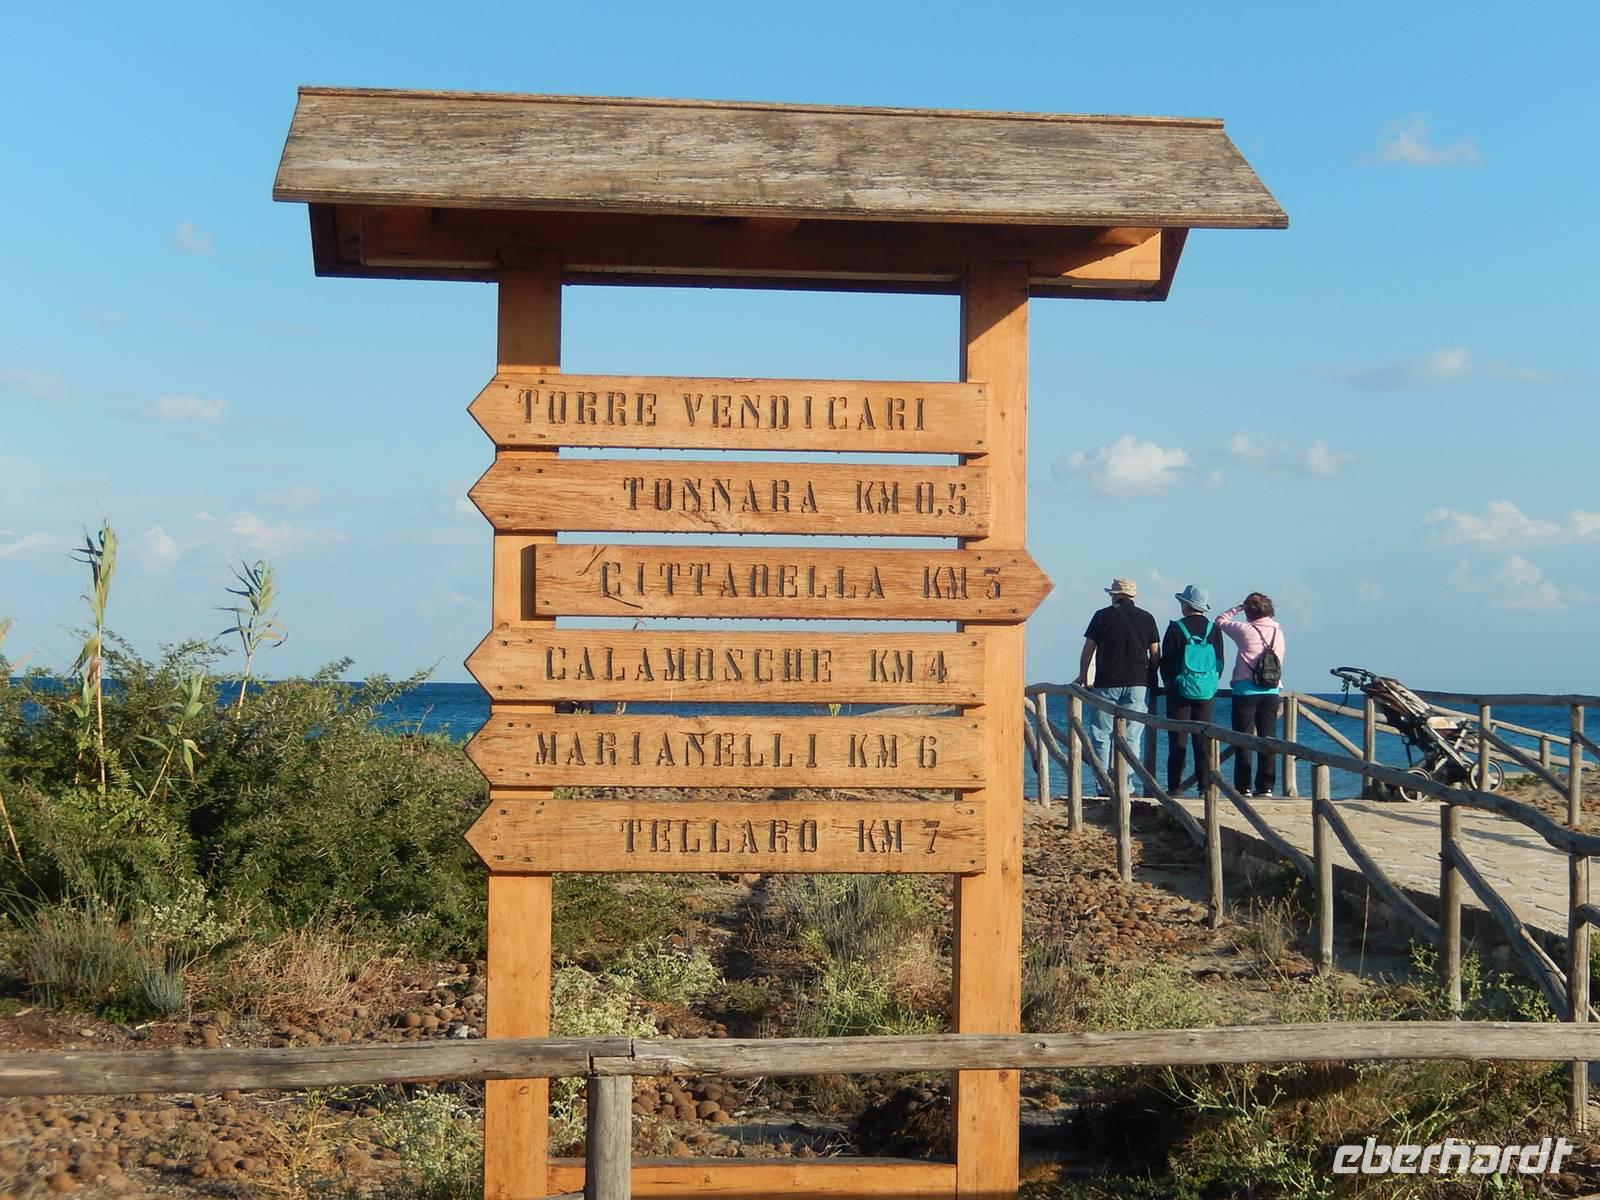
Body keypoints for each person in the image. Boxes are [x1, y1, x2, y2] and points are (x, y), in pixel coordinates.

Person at [1075, 578, 1159, 788]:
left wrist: (1083, 675)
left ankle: (1104, 785)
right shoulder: (1147, 618)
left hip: (1107, 680)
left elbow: (1089, 647)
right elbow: (1155, 651)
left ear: (1114, 595)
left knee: (1102, 734)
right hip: (1137, 681)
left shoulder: (1102, 616)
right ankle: (1125, 785)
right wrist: (1152, 675)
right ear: (1133, 596)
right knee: (1131, 736)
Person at [1217, 592, 1286, 796]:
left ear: (1248, 612)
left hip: (1245, 690)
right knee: (1268, 740)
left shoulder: (1245, 630)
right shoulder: (1278, 633)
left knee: (1243, 740)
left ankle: (1243, 786)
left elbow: (1220, 620)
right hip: (1271, 690)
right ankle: (1266, 786)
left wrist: (1238, 607)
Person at [1159, 584, 1225, 795]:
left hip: (1179, 691)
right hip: (1206, 691)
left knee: (1178, 740)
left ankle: (1174, 787)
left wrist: (1169, 683)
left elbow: (1166, 662)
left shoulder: (1176, 628)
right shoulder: (1213, 629)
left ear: (1185, 605)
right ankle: (1205, 787)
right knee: (1203, 740)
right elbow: (1219, 662)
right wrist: (1210, 682)